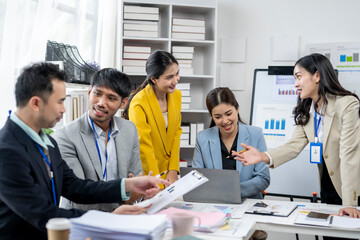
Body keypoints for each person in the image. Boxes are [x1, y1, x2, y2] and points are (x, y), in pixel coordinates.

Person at [0, 62, 169, 240]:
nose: (64, 109)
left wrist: (128, 185)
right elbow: (42, 214)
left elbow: (75, 187)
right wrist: (109, 220)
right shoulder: (7, 151)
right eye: (60, 102)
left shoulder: (47, 142)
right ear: (36, 103)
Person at [234, 54, 360, 212]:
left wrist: (350, 203)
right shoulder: (309, 110)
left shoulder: (347, 104)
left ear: (317, 75)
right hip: (328, 185)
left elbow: (349, 154)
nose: (295, 84)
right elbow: (293, 146)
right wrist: (261, 156)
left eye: (299, 77)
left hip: (351, 187)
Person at [53, 68, 143, 212]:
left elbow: (137, 181)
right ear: (89, 92)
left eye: (111, 98)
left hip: (123, 216)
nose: (101, 103)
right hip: (82, 219)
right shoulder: (65, 136)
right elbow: (78, 196)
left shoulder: (129, 129)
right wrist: (125, 196)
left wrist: (142, 191)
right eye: (97, 94)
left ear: (123, 103)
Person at [193, 87, 270, 199]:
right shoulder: (202, 138)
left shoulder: (255, 134)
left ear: (237, 109)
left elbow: (263, 178)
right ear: (212, 116)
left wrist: (232, 192)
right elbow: (197, 177)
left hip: (248, 203)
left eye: (228, 114)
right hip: (214, 203)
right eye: (218, 117)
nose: (225, 121)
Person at [123, 50, 182, 184]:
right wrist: (155, 182)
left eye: (177, 73)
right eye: (169, 77)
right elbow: (144, 147)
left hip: (170, 173)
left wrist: (173, 169)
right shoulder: (139, 103)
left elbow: (176, 134)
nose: (176, 80)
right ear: (154, 79)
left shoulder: (176, 96)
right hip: (149, 173)